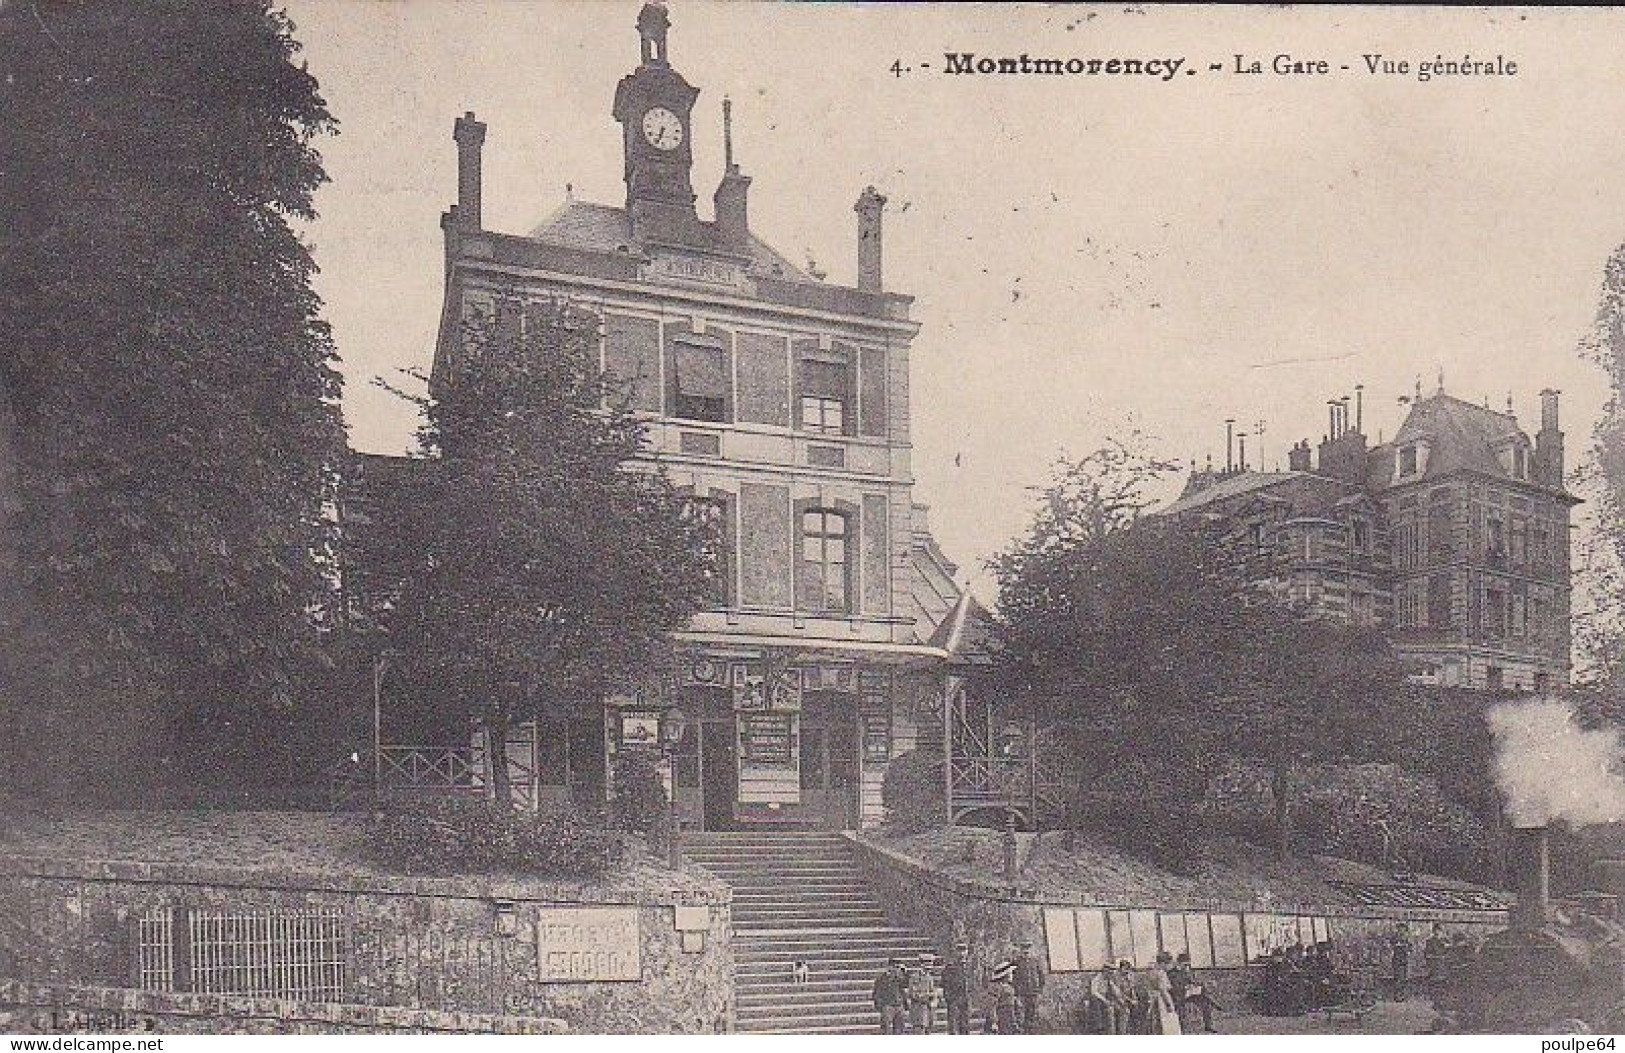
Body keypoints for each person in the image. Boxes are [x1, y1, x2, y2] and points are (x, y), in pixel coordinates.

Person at [1168, 951, 1216, 1032]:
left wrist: (1197, 985)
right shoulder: (1172, 973)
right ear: (1179, 963)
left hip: (1188, 994)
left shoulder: (1186, 971)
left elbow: (1192, 981)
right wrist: (1186, 988)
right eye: (1185, 964)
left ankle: (1208, 1025)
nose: (1187, 966)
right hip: (1178, 996)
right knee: (1181, 1008)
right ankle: (1182, 1028)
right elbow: (1173, 987)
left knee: (1205, 1002)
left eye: (1188, 964)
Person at [1011, 937, 1045, 1033]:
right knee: (1021, 1015)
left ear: (1030, 949)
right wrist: (1015, 993)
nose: (1026, 951)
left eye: (1028, 948)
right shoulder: (1016, 962)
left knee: (1031, 1014)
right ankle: (1023, 1032)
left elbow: (1041, 976)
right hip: (1021, 993)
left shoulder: (1035, 961)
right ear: (1021, 950)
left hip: (1033, 992)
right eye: (1024, 948)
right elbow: (1013, 978)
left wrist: (1040, 990)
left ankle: (1030, 1032)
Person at [1144, 952, 1183, 1035]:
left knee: (1155, 1023)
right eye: (1168, 964)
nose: (1169, 966)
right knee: (1167, 1023)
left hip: (1152, 998)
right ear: (1162, 963)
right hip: (1162, 1000)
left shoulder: (1149, 972)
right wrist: (1168, 1004)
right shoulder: (1161, 973)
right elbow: (1163, 990)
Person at [940, 942, 974, 1035]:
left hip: (966, 1000)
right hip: (954, 999)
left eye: (964, 950)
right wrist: (949, 999)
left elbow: (972, 983)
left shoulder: (969, 967)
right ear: (956, 952)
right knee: (953, 1026)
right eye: (960, 950)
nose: (962, 953)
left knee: (965, 1026)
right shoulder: (950, 967)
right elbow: (945, 984)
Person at [872, 956, 908, 1034]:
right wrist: (881, 1006)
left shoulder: (900, 977)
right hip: (887, 1006)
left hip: (899, 1006)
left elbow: (906, 985)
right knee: (886, 1030)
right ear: (889, 967)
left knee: (899, 1029)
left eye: (897, 967)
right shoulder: (882, 978)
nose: (896, 970)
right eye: (894, 967)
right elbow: (876, 993)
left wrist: (904, 972)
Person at [1088, 963, 1127, 1034]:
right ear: (1105, 971)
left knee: (1123, 1010)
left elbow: (1116, 991)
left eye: (1111, 973)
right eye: (1109, 972)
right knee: (1110, 1010)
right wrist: (1105, 1001)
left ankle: (1122, 1032)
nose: (1111, 974)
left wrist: (1120, 999)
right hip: (1098, 1001)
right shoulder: (1097, 979)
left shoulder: (1108, 980)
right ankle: (1111, 1033)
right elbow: (1094, 992)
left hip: (1106, 1000)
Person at [907, 952, 940, 1034]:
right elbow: (913, 994)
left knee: (928, 1031)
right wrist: (928, 996)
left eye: (930, 963)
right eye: (927, 963)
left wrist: (934, 998)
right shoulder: (915, 977)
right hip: (919, 1010)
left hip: (929, 1010)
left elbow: (933, 992)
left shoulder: (930, 977)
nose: (929, 966)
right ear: (922, 964)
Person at [987, 959, 1019, 1034]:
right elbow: (992, 1005)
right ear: (1005, 975)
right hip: (1002, 1016)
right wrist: (994, 1022)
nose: (1012, 975)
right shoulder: (997, 987)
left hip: (1010, 1016)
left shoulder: (1009, 987)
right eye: (1010, 973)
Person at [1120, 959, 1150, 1033]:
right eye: (1125, 971)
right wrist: (1130, 1000)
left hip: (1136, 1001)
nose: (1128, 974)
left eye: (1128, 971)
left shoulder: (1136, 979)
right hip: (1125, 1001)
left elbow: (1142, 991)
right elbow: (1120, 994)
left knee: (1143, 1009)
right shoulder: (1119, 980)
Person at [1390, 925, 1411, 1000]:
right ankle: (1397, 995)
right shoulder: (1394, 939)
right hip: (1397, 961)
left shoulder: (1406, 939)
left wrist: (1406, 947)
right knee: (1397, 978)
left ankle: (1402, 995)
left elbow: (1410, 949)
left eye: (1403, 930)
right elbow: (1391, 947)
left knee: (1404, 978)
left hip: (1404, 961)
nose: (1401, 931)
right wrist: (1397, 945)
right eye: (1400, 929)